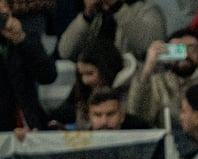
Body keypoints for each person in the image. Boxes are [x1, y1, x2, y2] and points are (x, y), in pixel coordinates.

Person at [129, 29, 198, 129]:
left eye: (191, 49)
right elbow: (137, 116)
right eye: (178, 50)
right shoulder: (158, 82)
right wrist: (147, 69)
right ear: (168, 55)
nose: (185, 55)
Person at [0, 0, 57, 132]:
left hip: (25, 126)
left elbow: (48, 75)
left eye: (3, 8)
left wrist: (21, 39)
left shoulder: (24, 37)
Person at [57, 0, 167, 62]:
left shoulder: (146, 10)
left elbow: (151, 48)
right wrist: (86, 16)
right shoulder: (96, 16)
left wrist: (117, 7)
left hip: (131, 90)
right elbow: (65, 51)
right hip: (94, 90)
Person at [85, 88, 150, 129]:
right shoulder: (84, 141)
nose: (104, 122)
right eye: (98, 115)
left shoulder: (141, 131)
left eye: (110, 114)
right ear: (89, 117)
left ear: (122, 116)